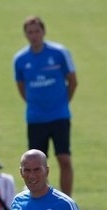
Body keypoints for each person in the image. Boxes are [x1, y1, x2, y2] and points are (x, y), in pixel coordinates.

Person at [13, 16, 77, 196]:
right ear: (26, 34)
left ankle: (67, 200)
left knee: (64, 159)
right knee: (36, 164)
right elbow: (21, 87)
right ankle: (41, 200)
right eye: (30, 32)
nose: (34, 36)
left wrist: (62, 102)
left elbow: (72, 81)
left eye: (37, 31)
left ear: (43, 31)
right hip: (36, 118)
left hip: (59, 116)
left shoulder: (59, 53)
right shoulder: (20, 59)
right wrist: (35, 104)